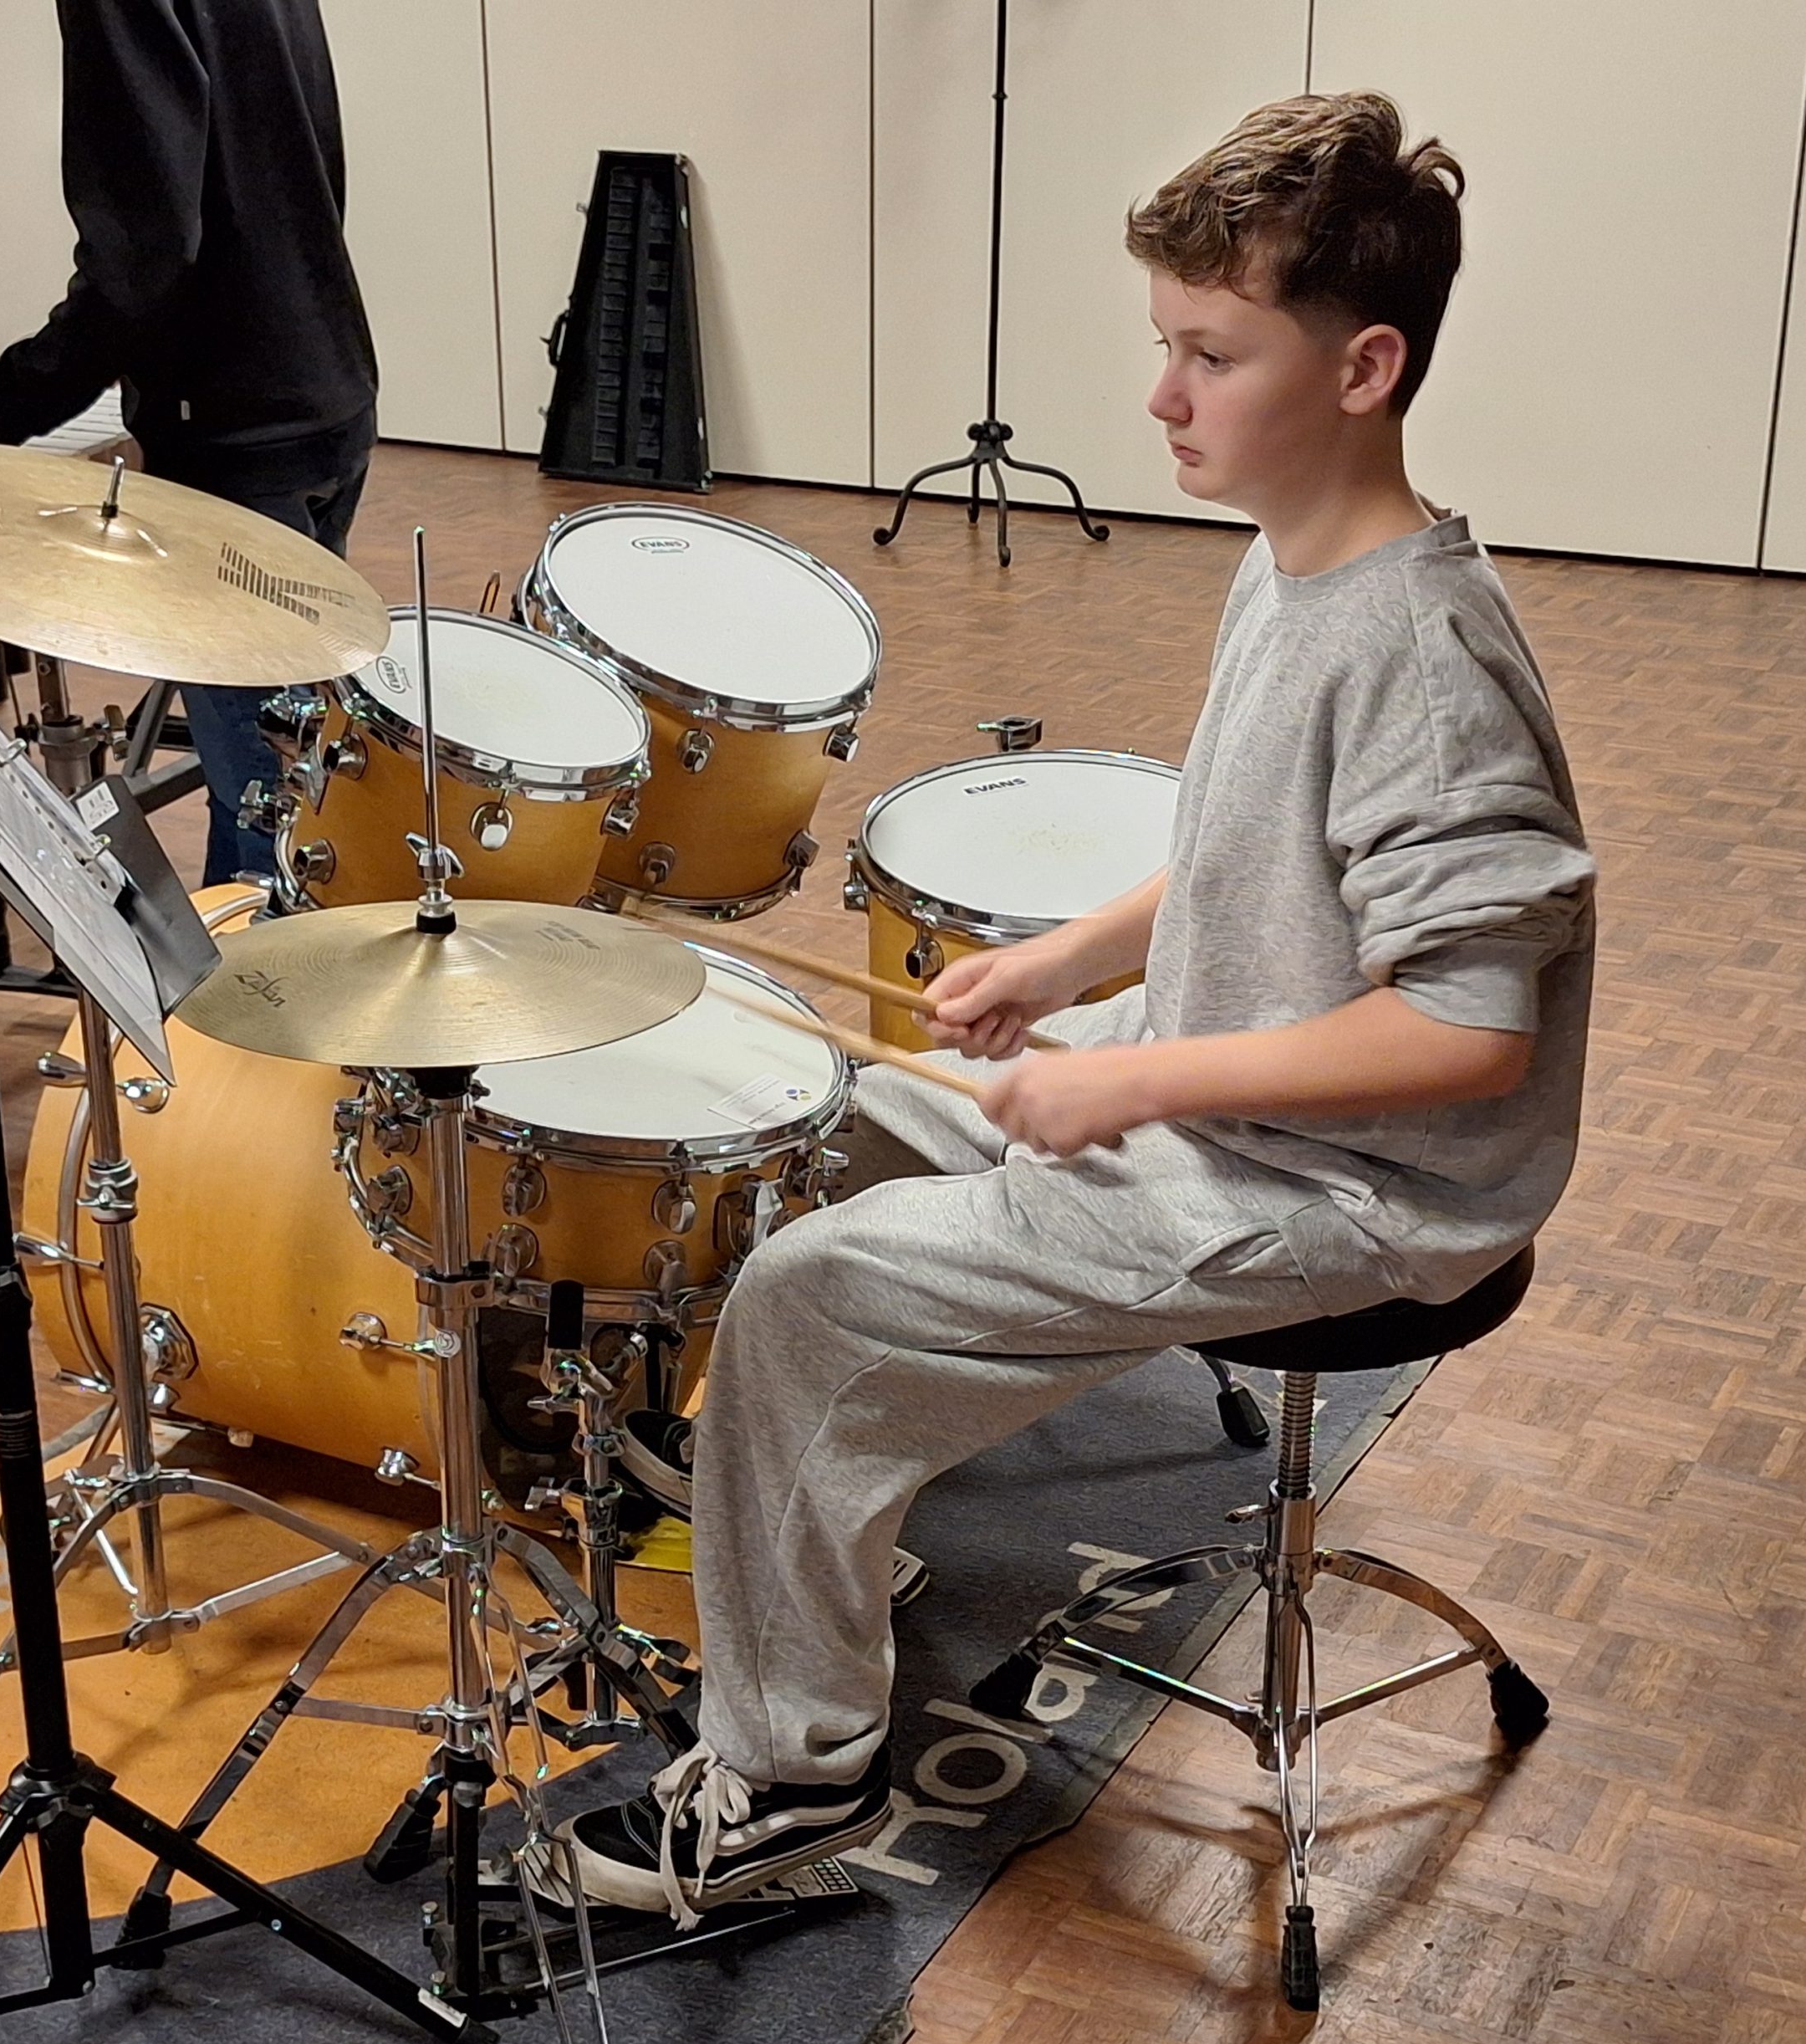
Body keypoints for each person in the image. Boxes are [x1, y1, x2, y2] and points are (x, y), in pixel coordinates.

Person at [566, 90, 1597, 1924]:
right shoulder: (1289, 559)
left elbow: (1464, 1031)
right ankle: (804, 1517)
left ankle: (789, 1773)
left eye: (1210, 353)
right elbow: (1235, 849)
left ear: (1362, 367)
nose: (1160, 396)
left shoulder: (1418, 657)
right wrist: (1064, 967)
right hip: (1229, 1104)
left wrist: (1132, 1085)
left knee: (804, 1295)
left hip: (1354, 1191)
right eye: (1163, 344)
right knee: (812, 1114)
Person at [0, 0, 377, 888]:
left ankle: (263, 974)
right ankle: (222, 967)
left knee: (268, 809)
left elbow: (144, 252)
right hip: (324, 386)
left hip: (238, 434)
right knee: (278, 785)